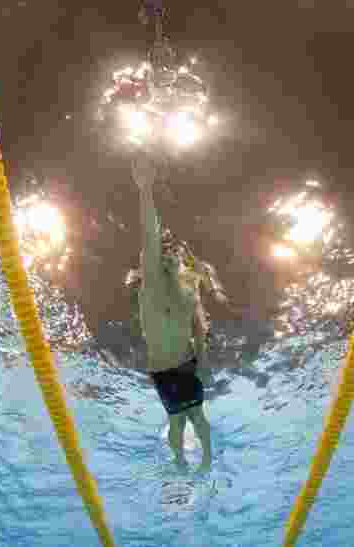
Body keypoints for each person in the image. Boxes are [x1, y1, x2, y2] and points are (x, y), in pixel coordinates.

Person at [131, 152, 226, 474]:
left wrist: (203, 358)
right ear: (156, 258)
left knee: (198, 417)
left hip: (187, 365)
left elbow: (199, 325)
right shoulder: (152, 283)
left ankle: (208, 460)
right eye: (164, 252)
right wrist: (145, 190)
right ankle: (181, 461)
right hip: (163, 372)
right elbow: (149, 234)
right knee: (176, 422)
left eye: (176, 253)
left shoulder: (189, 290)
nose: (171, 256)